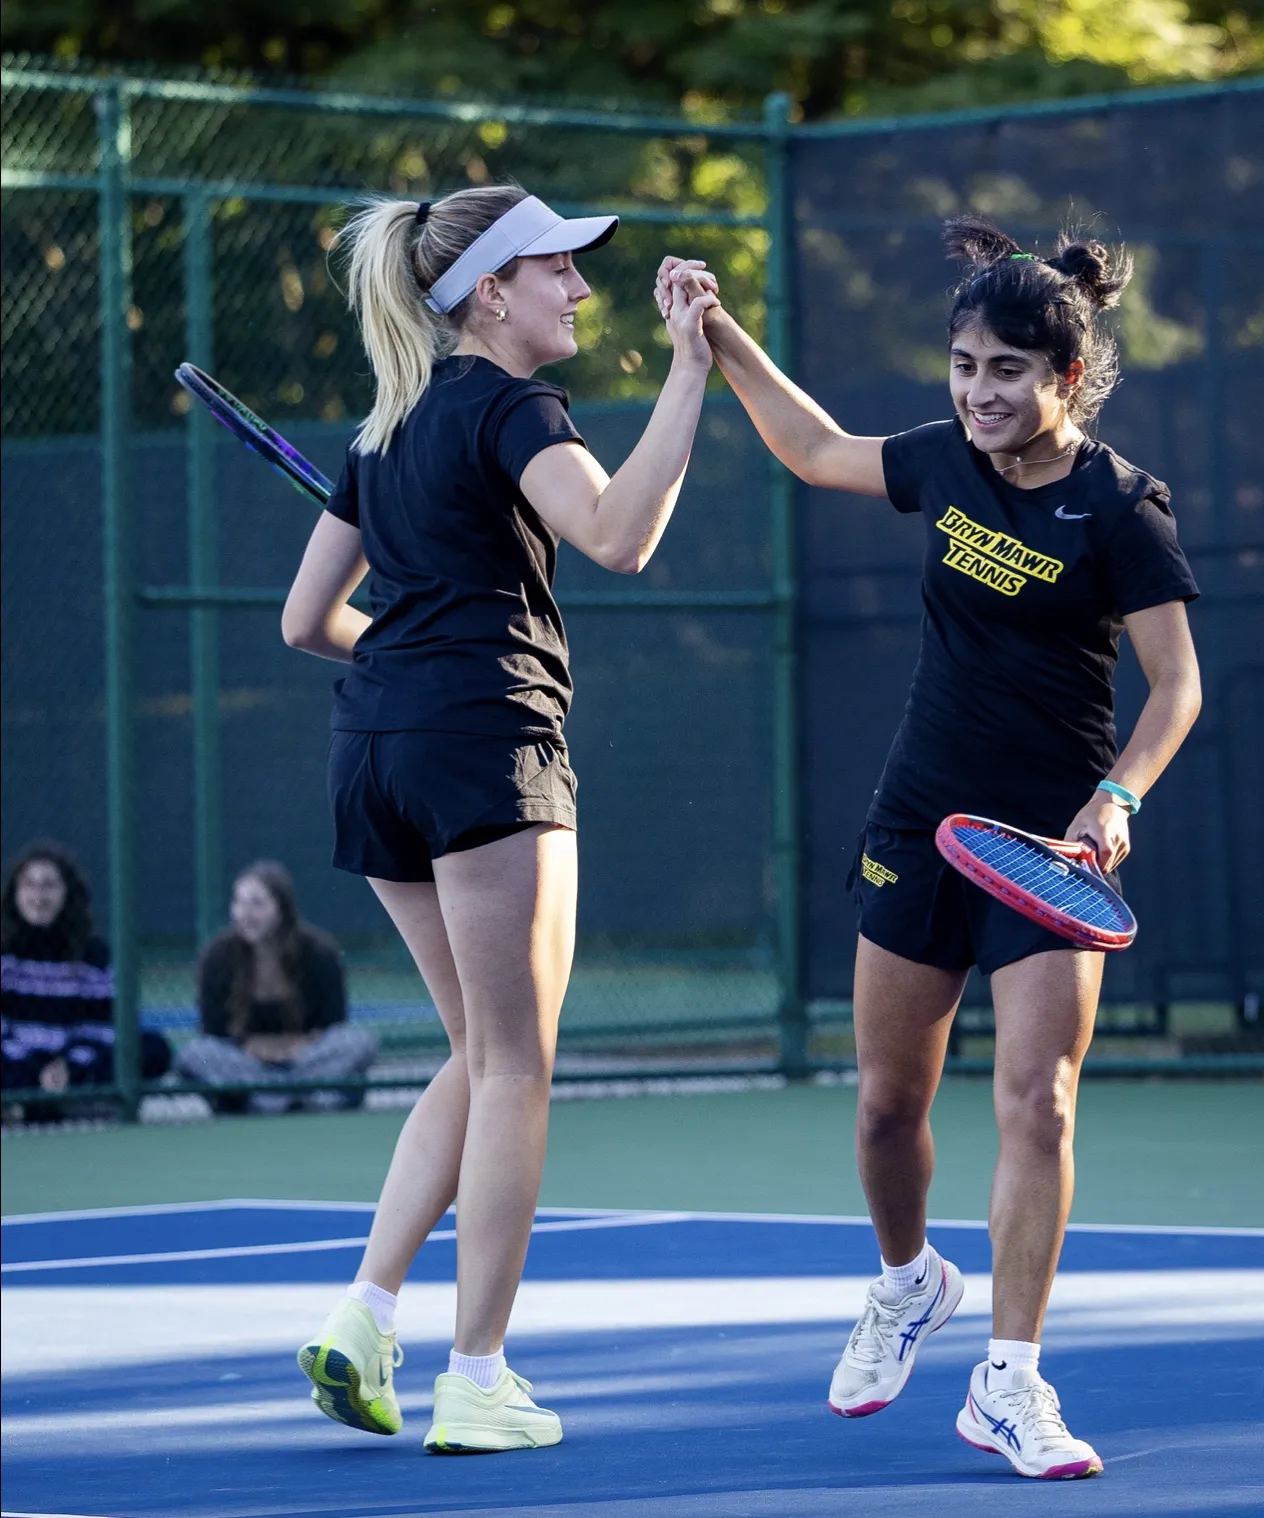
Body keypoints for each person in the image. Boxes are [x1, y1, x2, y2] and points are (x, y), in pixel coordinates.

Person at [657, 218, 1201, 1479]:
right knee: (888, 1105)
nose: (979, 392)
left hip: (1052, 844)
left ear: (1065, 378)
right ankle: (910, 1282)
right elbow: (810, 449)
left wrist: (1118, 796)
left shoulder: (1121, 509)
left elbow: (1175, 686)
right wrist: (719, 333)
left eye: (1007, 370)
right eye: (963, 366)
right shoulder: (943, 461)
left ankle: (1011, 1381)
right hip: (920, 820)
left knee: (1037, 1101)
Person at [280, 184, 719, 1455]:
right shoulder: (510, 402)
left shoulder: (387, 426)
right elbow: (620, 534)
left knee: (480, 1049)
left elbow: (308, 623)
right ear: (490, 291)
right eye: (557, 271)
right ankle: (478, 1374)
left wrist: (413, 662)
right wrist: (689, 369)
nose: (579, 289)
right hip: (484, 747)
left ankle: (366, 1317)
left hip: (377, 749)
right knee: (521, 1066)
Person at [172, 860, 374, 1114]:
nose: (245, 914)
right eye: (239, 903)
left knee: (359, 1042)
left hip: (306, 1059)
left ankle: (268, 1099)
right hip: (246, 1063)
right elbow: (212, 1029)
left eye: (257, 904)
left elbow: (334, 1021)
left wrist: (297, 1045)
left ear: (282, 909)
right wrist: (252, 1046)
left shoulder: (319, 952)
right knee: (194, 1054)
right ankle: (293, 1098)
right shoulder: (217, 956)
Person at [1, 840, 171, 1118]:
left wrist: (70, 1066)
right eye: (29, 885)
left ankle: (38, 1104)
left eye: (49, 886)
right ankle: (44, 1101)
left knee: (154, 1047)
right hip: (18, 1063)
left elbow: (99, 1025)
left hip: (73, 1064)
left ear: (67, 892)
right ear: (15, 893)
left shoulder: (92, 953)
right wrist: (34, 1069)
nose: (38, 896)